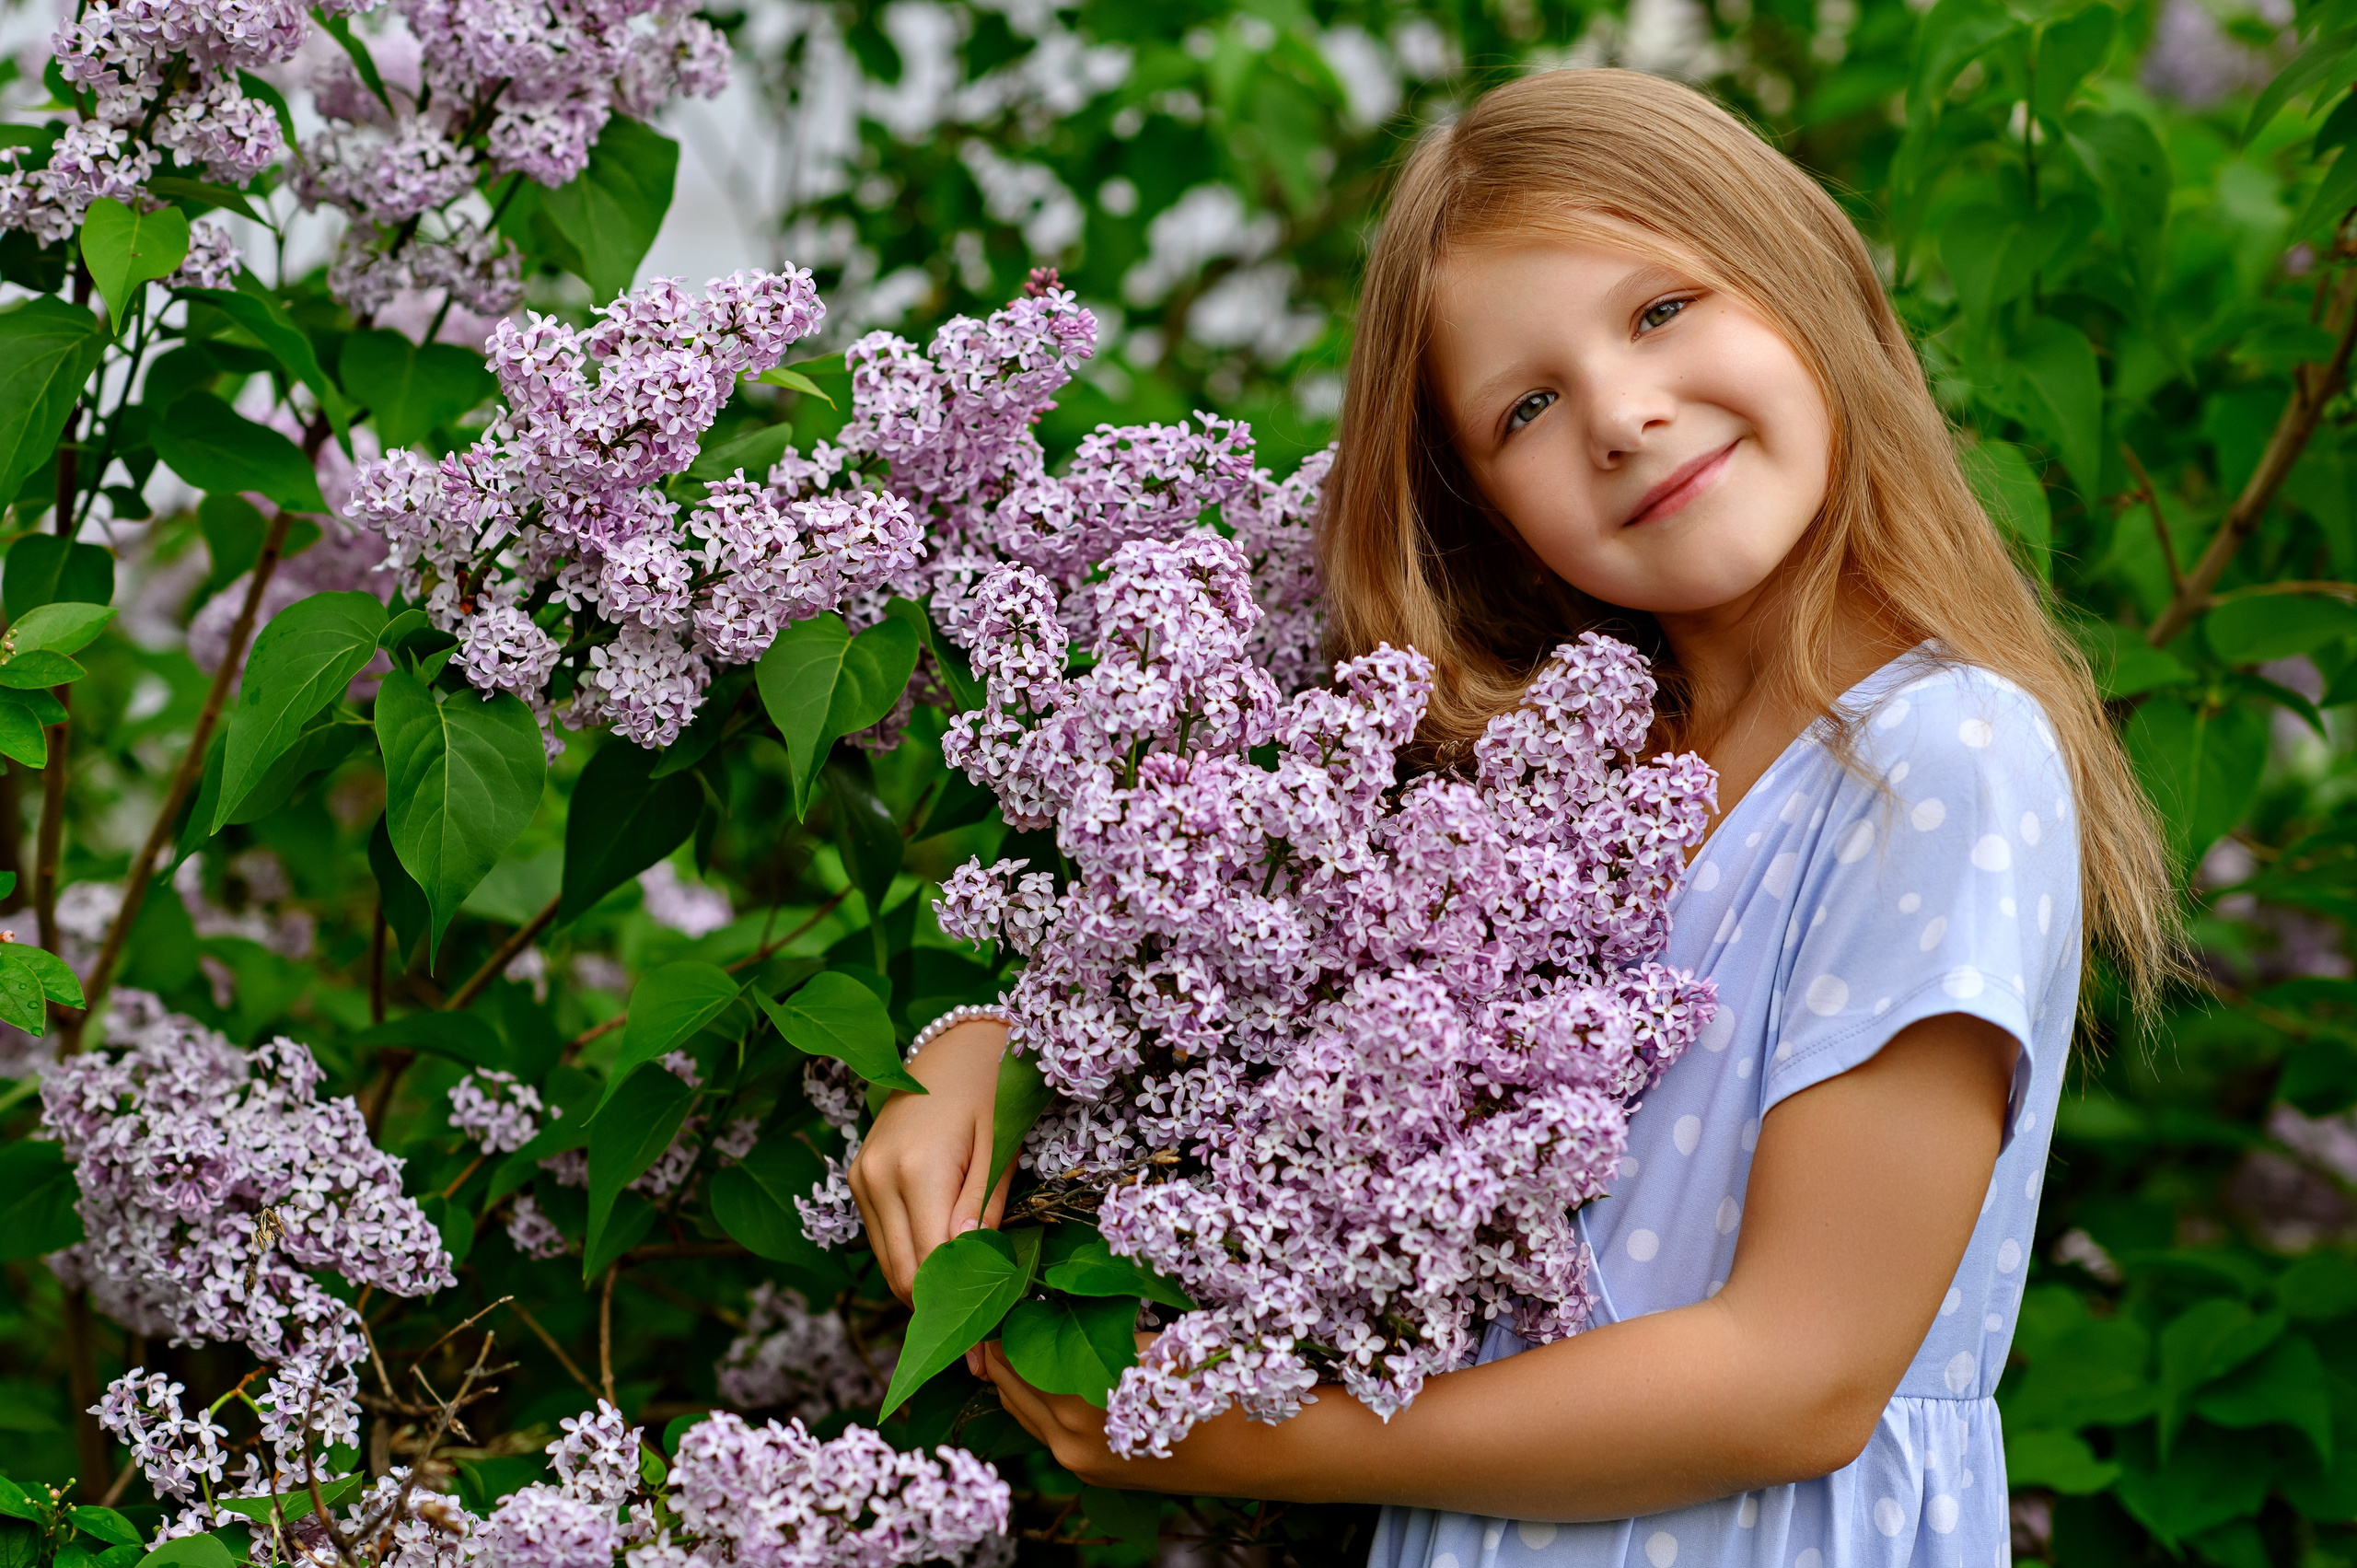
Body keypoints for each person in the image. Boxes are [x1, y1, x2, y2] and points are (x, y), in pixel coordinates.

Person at [847, 67, 2181, 1568]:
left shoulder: (1938, 755)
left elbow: (1798, 1382)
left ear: (1810, 282)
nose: (1621, 414)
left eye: (1663, 309)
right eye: (1526, 405)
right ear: (1480, 500)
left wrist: (1250, 1433)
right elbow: (1231, 997)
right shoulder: (1546, 786)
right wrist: (983, 1060)